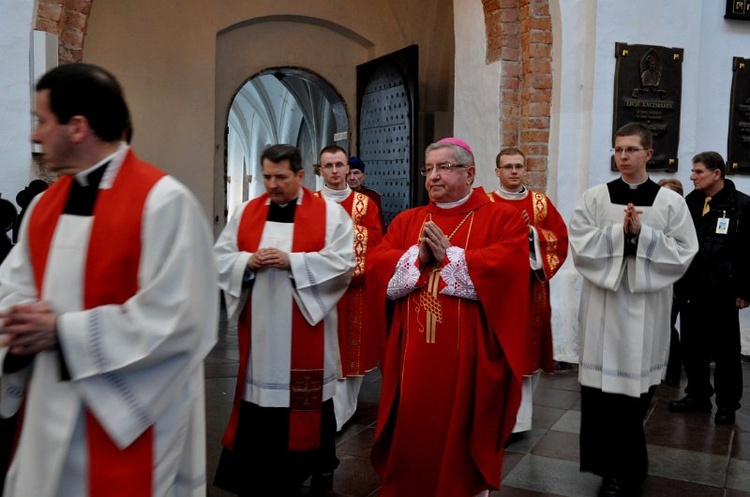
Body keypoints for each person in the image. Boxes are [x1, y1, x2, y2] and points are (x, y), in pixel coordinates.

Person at [0, 62, 218, 497]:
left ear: (77, 126)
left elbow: (182, 319)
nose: (34, 134)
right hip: (48, 406)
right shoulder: (44, 207)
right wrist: (19, 322)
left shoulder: (164, 202)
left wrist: (63, 332)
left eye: (42, 121)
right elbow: (14, 285)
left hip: (130, 421)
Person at [369, 137, 530, 497]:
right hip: (413, 360)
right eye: (429, 169)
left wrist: (454, 258)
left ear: (469, 173)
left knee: (462, 432)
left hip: (469, 360)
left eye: (444, 167)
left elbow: (508, 269)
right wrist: (415, 259)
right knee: (413, 430)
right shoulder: (410, 219)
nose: (433, 176)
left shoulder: (502, 218)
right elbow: (378, 264)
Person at [213, 144, 356, 496]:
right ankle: (256, 470)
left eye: (281, 177)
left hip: (305, 324)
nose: (272, 185)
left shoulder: (330, 215)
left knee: (307, 405)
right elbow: (221, 257)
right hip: (260, 328)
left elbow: (343, 264)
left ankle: (314, 467)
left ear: (301, 175)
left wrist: (291, 262)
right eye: (266, 177)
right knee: (259, 399)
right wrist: (247, 263)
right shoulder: (246, 212)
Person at [569, 122, 698, 497]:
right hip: (603, 306)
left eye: (630, 150)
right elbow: (580, 244)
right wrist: (620, 234)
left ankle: (628, 470)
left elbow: (684, 251)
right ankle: (608, 469)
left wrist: (643, 236)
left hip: (645, 307)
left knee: (633, 399)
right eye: (617, 149)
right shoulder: (595, 197)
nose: (622, 156)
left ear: (648, 154)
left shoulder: (670, 202)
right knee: (601, 398)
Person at [489, 147, 568, 435]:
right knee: (495, 354)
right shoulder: (485, 203)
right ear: (497, 171)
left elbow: (559, 239)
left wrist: (532, 233)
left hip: (530, 289)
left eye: (518, 166)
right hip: (495, 292)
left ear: (525, 170)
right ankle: (494, 417)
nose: (513, 171)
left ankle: (518, 423)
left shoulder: (540, 204)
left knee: (525, 353)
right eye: (507, 166)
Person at [668, 152, 750, 425]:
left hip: (723, 292)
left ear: (717, 174)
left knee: (726, 353)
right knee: (693, 347)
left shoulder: (742, 206)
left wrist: (744, 291)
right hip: (691, 289)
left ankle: (727, 405)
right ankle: (698, 396)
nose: (692, 176)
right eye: (693, 171)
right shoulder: (690, 202)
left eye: (699, 171)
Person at [316, 145, 383, 432]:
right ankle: (325, 409)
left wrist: (340, 235)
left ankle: (343, 411)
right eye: (328, 165)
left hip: (354, 290)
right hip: (318, 289)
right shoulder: (309, 203)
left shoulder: (365, 206)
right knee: (322, 351)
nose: (334, 171)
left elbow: (377, 242)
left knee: (350, 352)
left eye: (339, 165)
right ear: (320, 170)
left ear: (348, 169)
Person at [657, 178, 685, 386]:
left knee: (668, 325)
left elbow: (681, 254)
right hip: (659, 279)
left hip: (673, 282)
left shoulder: (680, 220)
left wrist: (675, 284)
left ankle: (673, 371)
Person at [346, 156, 386, 231]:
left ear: (364, 175)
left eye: (356, 173)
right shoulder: (338, 196)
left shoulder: (372, 196)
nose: (352, 177)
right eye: (348, 174)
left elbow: (380, 228)